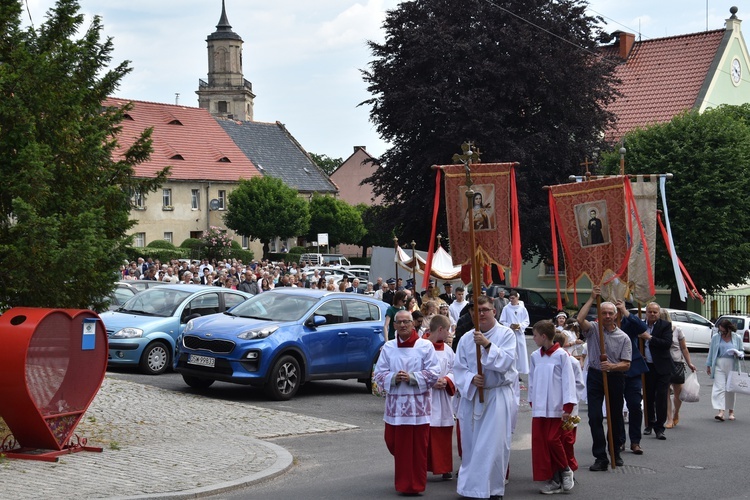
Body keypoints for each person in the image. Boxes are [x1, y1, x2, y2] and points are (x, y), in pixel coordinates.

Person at [453, 295, 517, 500]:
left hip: (496, 395)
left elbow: (506, 362)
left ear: (494, 312)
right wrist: (471, 379)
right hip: (473, 397)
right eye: (476, 310)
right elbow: (458, 368)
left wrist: (487, 345)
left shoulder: (506, 334)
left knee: (493, 444)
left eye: (484, 310)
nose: (480, 313)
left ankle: (493, 489)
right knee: (472, 444)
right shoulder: (465, 338)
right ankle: (470, 488)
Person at [373, 310, 440, 495]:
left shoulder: (425, 346)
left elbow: (434, 372)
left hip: (418, 408)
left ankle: (414, 485)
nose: (403, 325)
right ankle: (403, 481)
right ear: (394, 325)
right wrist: (394, 377)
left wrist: (411, 377)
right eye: (399, 322)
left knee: (418, 449)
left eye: (406, 322)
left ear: (413, 324)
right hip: (395, 409)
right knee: (395, 444)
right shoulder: (388, 347)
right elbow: (378, 373)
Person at [577, 287, 631, 471]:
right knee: (594, 417)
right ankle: (600, 457)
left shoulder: (623, 337)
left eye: (610, 313)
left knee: (615, 418)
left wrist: (612, 366)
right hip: (595, 376)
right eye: (604, 313)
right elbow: (579, 319)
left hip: (615, 378)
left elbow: (626, 364)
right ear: (599, 315)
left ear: (615, 316)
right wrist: (592, 298)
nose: (607, 316)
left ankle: (615, 452)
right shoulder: (593, 330)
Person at [529, 320, 577, 494]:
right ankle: (554, 479)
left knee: (553, 439)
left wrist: (568, 406)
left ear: (543, 336)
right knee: (543, 444)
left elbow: (568, 381)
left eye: (534, 335)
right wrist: (532, 401)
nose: (533, 339)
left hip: (557, 407)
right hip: (541, 407)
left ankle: (565, 469)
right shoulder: (535, 356)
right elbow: (532, 380)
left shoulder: (562, 355)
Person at [423, 314, 456, 480]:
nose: (450, 334)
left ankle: (444, 467)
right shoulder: (421, 347)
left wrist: (447, 380)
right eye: (448, 330)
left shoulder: (448, 350)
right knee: (425, 432)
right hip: (426, 396)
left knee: (443, 430)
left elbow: (455, 369)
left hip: (442, 397)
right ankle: (423, 466)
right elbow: (415, 369)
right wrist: (431, 381)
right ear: (440, 329)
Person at [615, 300, 650, 455]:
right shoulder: (607, 323)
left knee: (635, 406)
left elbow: (643, 327)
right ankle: (619, 440)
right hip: (614, 370)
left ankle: (635, 441)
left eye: (617, 310)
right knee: (616, 408)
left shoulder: (630, 323)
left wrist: (625, 311)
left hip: (632, 370)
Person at [640, 302, 675, 440]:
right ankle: (649, 423)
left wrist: (650, 338)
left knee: (660, 397)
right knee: (648, 396)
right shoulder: (641, 326)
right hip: (647, 366)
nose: (652, 314)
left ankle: (659, 428)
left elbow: (666, 343)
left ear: (659, 313)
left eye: (655, 312)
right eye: (650, 312)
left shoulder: (665, 326)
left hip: (662, 367)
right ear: (646, 312)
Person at [663, 310, 696, 428]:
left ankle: (676, 412)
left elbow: (684, 348)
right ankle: (669, 419)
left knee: (678, 393)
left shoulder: (677, 330)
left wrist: (689, 363)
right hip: (663, 364)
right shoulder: (656, 330)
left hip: (677, 364)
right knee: (665, 392)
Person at [706, 319, 744, 421]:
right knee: (719, 387)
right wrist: (708, 365)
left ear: (729, 329)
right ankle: (721, 412)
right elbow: (712, 352)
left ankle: (731, 412)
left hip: (732, 364)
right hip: (719, 364)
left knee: (730, 388)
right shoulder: (716, 337)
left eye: (724, 331)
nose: (722, 333)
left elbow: (742, 351)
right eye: (720, 331)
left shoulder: (737, 338)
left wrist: (738, 353)